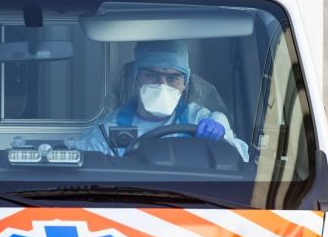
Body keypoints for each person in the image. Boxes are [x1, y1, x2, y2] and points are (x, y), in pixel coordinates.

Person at [76, 40, 249, 161]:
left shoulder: (203, 121)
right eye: (152, 75)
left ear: (185, 85)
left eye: (173, 79)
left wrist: (223, 141)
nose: (162, 85)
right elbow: (87, 173)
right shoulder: (107, 129)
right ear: (137, 78)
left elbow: (241, 160)